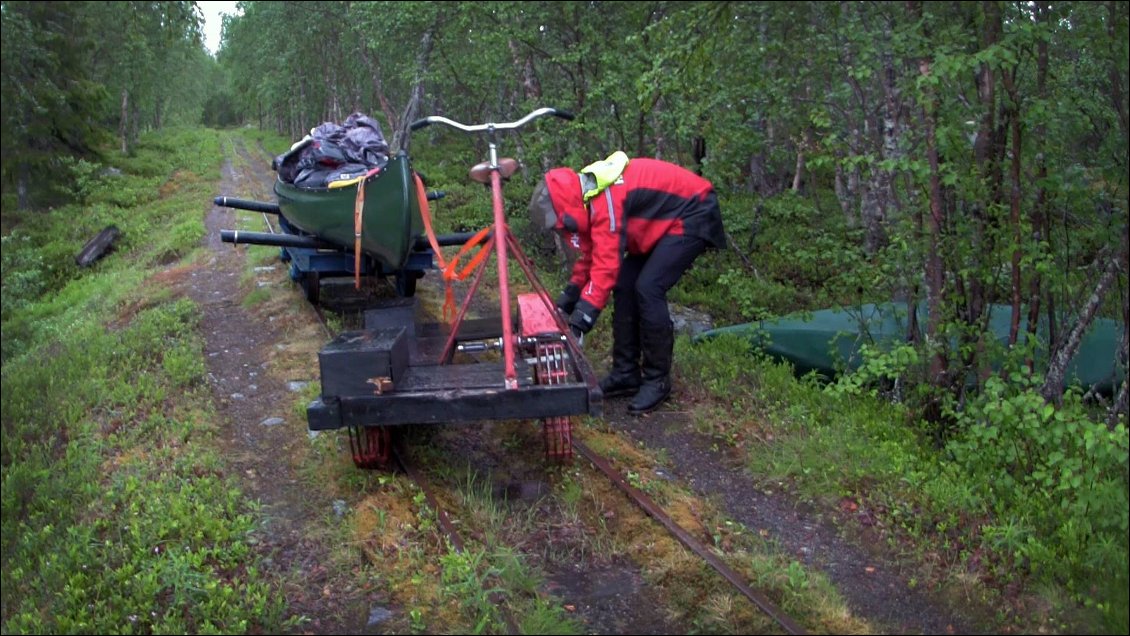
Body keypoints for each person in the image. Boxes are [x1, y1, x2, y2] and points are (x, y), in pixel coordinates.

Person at [528, 151, 726, 414]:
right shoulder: (589, 196)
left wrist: (580, 322)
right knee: (624, 284)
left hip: (694, 211)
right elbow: (591, 258)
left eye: (558, 221)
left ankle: (658, 380)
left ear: (566, 206)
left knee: (648, 287)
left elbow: (605, 267)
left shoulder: (605, 200)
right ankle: (626, 373)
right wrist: (567, 300)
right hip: (664, 222)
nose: (559, 228)